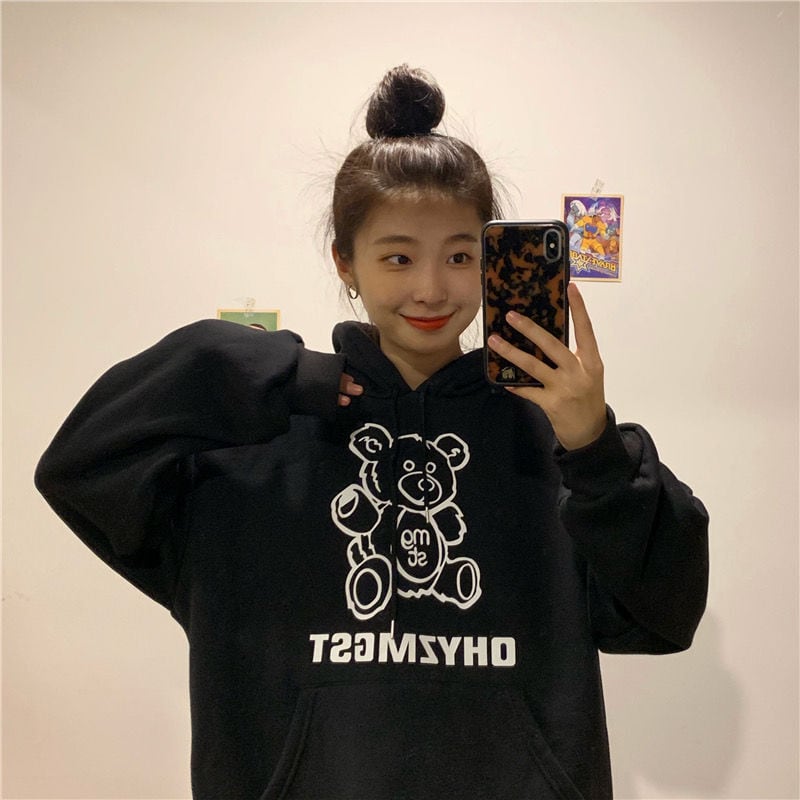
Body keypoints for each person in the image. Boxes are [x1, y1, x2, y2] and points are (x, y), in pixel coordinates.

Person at [35, 65, 709, 800]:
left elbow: (664, 615)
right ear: (345, 262)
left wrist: (596, 447)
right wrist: (273, 373)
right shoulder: (254, 446)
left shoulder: (553, 441)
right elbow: (81, 464)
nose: (431, 287)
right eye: (398, 257)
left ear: (490, 262)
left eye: (460, 256)